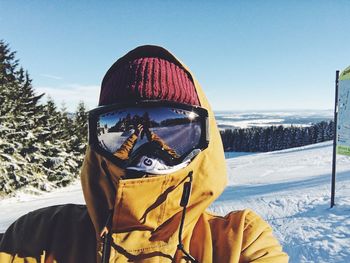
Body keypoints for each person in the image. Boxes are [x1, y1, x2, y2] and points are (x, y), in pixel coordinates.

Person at [0, 45, 288, 262]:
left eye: (176, 129)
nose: (148, 156)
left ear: (204, 138)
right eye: (122, 128)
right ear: (97, 142)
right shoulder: (39, 235)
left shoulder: (239, 243)